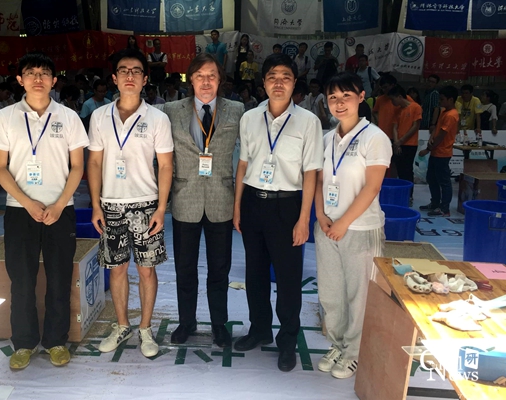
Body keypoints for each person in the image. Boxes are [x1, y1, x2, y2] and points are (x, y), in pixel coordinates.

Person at [0, 51, 89, 370]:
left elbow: (77, 167)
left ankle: (56, 341)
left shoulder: (68, 117)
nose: (38, 79)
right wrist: (27, 201)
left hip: (61, 210)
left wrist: (59, 204)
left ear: (54, 80)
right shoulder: (5, 117)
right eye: (31, 73)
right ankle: (24, 343)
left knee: (59, 279)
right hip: (20, 210)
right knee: (21, 280)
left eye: (44, 73)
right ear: (20, 80)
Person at [233, 53, 323, 372]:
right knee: (255, 273)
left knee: (287, 278)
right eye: (272, 76)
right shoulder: (249, 117)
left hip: (288, 205)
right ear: (263, 83)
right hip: (253, 203)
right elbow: (243, 164)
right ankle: (260, 329)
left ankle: (287, 341)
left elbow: (311, 173)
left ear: (295, 83)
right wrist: (237, 208)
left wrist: (304, 219)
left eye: (285, 77)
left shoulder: (309, 122)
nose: (278, 83)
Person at [87, 48, 174, 358]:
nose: (129, 75)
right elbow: (94, 162)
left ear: (145, 79)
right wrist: (96, 205)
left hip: (146, 205)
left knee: (146, 270)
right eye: (123, 70)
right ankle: (122, 325)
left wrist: (161, 208)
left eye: (136, 71)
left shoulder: (158, 118)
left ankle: (145, 329)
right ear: (114, 78)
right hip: (111, 204)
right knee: (117, 269)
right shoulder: (99, 116)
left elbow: (166, 165)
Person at [160, 53, 244, 349]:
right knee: (185, 268)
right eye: (199, 76)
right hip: (186, 199)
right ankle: (187, 322)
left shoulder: (237, 110)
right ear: (190, 80)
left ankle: (219, 324)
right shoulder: (171, 110)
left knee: (219, 269)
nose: (206, 82)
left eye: (212, 76)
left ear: (220, 80)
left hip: (221, 199)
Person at [314, 72, 391, 379]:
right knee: (331, 293)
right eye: (333, 97)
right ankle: (337, 344)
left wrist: (344, 223)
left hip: (360, 229)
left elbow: (372, 187)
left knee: (358, 296)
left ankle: (354, 352)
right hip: (328, 228)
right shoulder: (326, 139)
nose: (339, 103)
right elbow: (319, 181)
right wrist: (320, 215)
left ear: (361, 97)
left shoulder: (375, 138)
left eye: (346, 96)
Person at [419, 86, 460, 217]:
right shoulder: (443, 111)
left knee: (444, 181)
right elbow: (437, 129)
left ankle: (444, 208)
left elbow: (442, 135)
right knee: (432, 178)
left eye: (442, 99)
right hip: (436, 151)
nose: (440, 101)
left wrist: (428, 149)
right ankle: (435, 203)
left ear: (451, 99)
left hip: (443, 153)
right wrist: (431, 139)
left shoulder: (451, 115)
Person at [387, 85, 422, 205]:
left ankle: (409, 195)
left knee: (407, 170)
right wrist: (396, 142)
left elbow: (415, 126)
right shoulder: (398, 110)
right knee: (399, 170)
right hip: (399, 144)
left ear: (399, 97)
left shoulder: (416, 107)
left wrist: (401, 141)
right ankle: (401, 193)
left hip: (410, 144)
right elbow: (395, 127)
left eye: (393, 99)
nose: (392, 102)